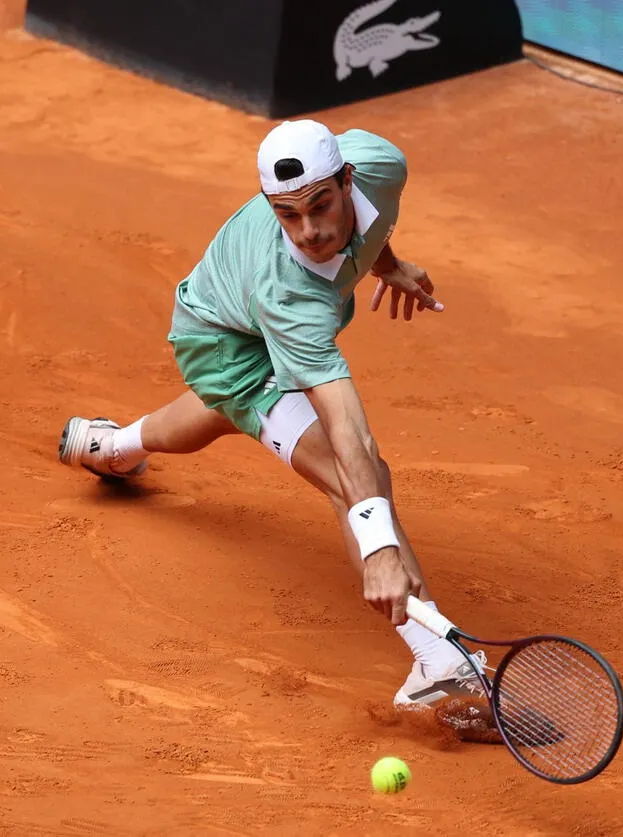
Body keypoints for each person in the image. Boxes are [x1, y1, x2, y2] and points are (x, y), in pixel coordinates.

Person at [58, 119, 485, 706]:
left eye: (321, 206)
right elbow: (347, 429)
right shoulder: (290, 297)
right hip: (222, 342)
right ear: (270, 205)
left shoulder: (381, 164)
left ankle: (111, 446)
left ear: (348, 179)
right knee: (356, 478)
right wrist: (380, 547)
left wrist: (388, 264)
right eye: (288, 215)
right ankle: (441, 663)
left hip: (245, 306)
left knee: (228, 414)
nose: (309, 232)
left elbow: (372, 218)